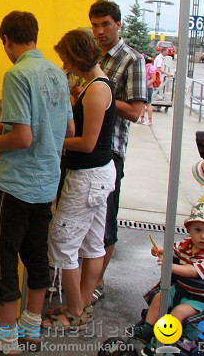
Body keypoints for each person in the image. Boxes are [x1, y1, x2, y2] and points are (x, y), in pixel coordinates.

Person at [0, 11, 72, 355]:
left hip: (18, 182)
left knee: (4, 259)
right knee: (37, 257)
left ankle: (4, 340)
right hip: (47, 181)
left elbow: (23, 138)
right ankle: (31, 328)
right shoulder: (57, 73)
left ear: (6, 40)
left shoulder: (17, 74)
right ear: (34, 36)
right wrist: (7, 130)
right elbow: (67, 130)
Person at [42, 29, 116, 331]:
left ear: (77, 57)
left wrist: (53, 138)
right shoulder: (94, 86)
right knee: (91, 244)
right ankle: (81, 306)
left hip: (87, 176)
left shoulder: (97, 90)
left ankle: (73, 312)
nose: (65, 67)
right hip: (97, 175)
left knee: (62, 243)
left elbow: (87, 142)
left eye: (66, 61)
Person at [88, 0, 147, 305]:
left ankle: (97, 282)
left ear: (118, 24)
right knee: (83, 220)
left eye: (105, 24)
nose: (100, 31)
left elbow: (136, 111)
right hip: (83, 146)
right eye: (95, 25)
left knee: (105, 220)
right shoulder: (90, 55)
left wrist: (100, 94)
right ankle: (80, 282)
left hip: (109, 151)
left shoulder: (132, 60)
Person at [132, 202, 204, 346]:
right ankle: (148, 328)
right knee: (159, 298)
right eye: (198, 230)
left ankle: (162, 340)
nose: (203, 236)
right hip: (181, 290)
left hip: (200, 300)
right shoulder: (187, 244)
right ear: (189, 230)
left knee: (178, 312)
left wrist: (170, 266)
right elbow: (172, 249)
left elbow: (194, 271)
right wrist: (160, 250)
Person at [139, 54, 157, 125]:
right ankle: (142, 118)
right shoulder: (146, 66)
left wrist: (146, 85)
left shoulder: (151, 67)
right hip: (144, 87)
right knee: (142, 103)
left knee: (148, 104)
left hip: (148, 88)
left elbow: (153, 78)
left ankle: (150, 120)